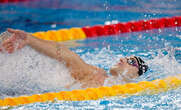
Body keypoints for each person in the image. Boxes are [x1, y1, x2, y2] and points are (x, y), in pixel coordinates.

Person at [0, 28, 148, 89]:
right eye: (126, 57)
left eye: (131, 62)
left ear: (136, 75)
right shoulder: (98, 76)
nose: (122, 59)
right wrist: (30, 40)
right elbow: (67, 56)